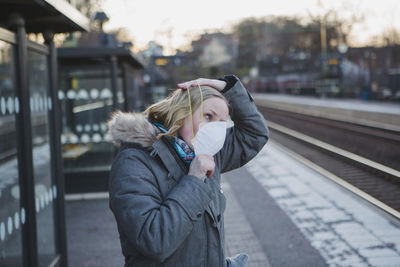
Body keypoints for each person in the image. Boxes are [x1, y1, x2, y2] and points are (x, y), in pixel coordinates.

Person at [108, 74, 269, 266]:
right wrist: (194, 179)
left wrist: (226, 88)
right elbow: (154, 241)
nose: (214, 128)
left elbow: (255, 134)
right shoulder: (134, 161)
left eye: (221, 121)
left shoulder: (208, 151)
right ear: (182, 112)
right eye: (208, 116)